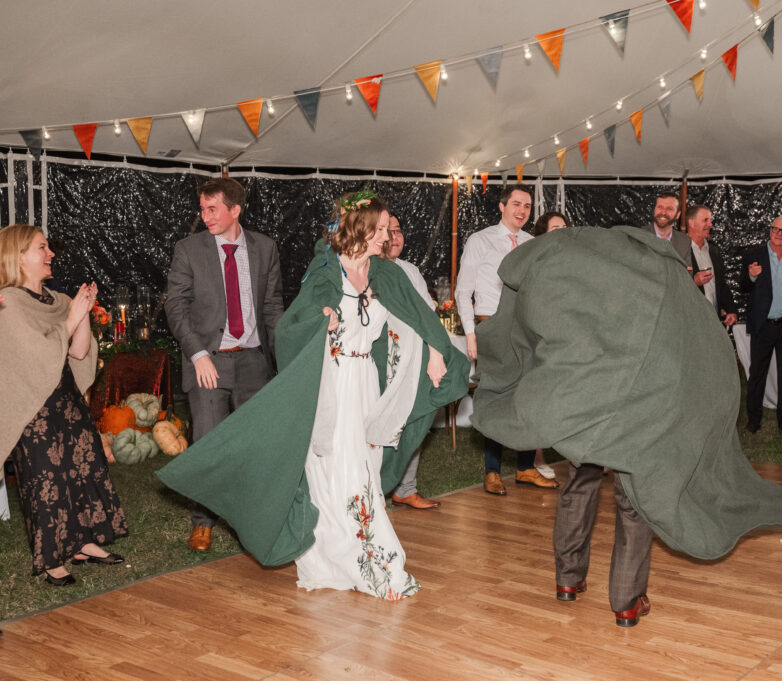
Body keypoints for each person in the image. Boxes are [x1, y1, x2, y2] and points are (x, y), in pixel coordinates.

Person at [470, 224, 782, 627]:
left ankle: (568, 580)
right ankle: (626, 601)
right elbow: (688, 340)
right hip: (639, 407)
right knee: (633, 497)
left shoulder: (583, 284)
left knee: (580, 482)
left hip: (591, 405)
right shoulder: (654, 279)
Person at [158, 192, 470, 598]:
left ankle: (348, 555)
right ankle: (366, 561)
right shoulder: (326, 269)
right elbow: (292, 323)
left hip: (365, 387)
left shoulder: (385, 274)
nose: (388, 237)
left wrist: (433, 350)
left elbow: (418, 315)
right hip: (332, 387)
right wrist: (319, 320)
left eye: (388, 230)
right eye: (380, 230)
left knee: (366, 469)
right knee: (341, 470)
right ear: (360, 228)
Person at [0, 224, 127, 586]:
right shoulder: (8, 304)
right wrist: (72, 317)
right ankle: (52, 559)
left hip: (66, 400)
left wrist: (81, 310)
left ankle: (84, 542)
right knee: (47, 480)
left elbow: (78, 350)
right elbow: (39, 354)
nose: (50, 253)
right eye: (42, 247)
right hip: (34, 409)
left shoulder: (55, 301)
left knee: (83, 470)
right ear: (20, 256)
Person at [165, 177, 285, 551]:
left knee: (255, 443)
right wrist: (197, 353)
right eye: (201, 208)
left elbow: (272, 308)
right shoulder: (189, 249)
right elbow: (175, 305)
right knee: (210, 443)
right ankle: (203, 521)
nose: (205, 216)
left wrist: (286, 355)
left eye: (212, 208)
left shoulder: (265, 248)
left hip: (253, 362)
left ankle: (251, 519)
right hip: (209, 362)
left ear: (235, 210)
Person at [454, 184, 558, 495]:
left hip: (527, 328)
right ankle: (492, 472)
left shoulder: (531, 244)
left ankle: (526, 468)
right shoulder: (480, 240)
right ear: (502, 206)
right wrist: (470, 333)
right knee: (497, 397)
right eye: (516, 204)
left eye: (527, 206)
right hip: (492, 326)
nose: (521, 211)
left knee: (530, 396)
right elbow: (463, 291)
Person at [385, 213, 442, 509]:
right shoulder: (369, 268)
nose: (395, 237)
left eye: (399, 230)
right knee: (381, 427)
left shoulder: (410, 270)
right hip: (381, 360)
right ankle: (376, 492)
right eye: (388, 231)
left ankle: (406, 488)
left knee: (415, 419)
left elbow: (427, 314)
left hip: (412, 357)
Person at [740, 216, 782, 435]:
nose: (778, 234)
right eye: (775, 229)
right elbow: (743, 286)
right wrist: (751, 276)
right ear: (770, 230)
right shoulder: (754, 255)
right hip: (763, 324)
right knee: (757, 374)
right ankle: (754, 420)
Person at [529, 210, 571, 479]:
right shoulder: (536, 261)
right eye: (556, 228)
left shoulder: (574, 260)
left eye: (565, 227)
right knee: (542, 397)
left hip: (569, 336)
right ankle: (538, 455)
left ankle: (578, 452)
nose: (562, 231)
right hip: (543, 335)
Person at [685, 204, 737, 326]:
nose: (710, 224)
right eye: (705, 220)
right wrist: (693, 282)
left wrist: (731, 310)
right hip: (688, 321)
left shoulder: (714, 250)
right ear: (692, 223)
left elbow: (721, 284)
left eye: (710, 220)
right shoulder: (679, 250)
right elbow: (671, 285)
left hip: (713, 320)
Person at [645, 190, 692, 270]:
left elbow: (688, 274)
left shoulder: (685, 242)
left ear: (678, 215)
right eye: (660, 207)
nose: (663, 212)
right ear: (654, 210)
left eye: (669, 209)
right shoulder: (639, 235)